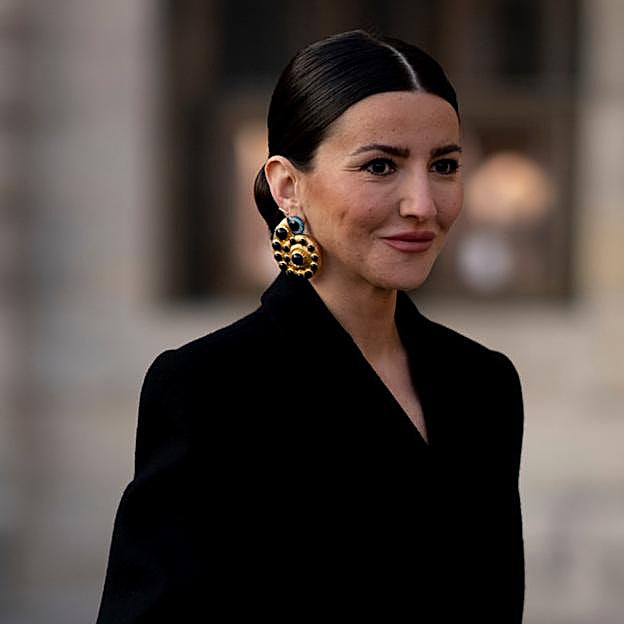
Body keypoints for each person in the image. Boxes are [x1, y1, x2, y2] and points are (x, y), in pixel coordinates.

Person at [96, 29, 525, 622]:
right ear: (286, 186)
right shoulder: (212, 387)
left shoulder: (483, 382)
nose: (423, 204)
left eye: (445, 166)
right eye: (380, 166)